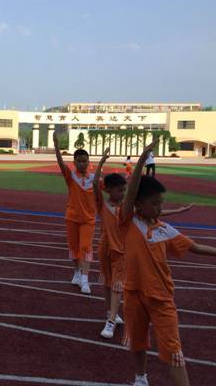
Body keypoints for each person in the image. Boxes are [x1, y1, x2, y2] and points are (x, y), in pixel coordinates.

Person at [121, 140, 215, 386]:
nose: (160, 208)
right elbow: (130, 192)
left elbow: (195, 247)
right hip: (133, 293)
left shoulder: (165, 229)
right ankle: (140, 378)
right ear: (138, 205)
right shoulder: (128, 221)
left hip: (161, 297)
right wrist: (142, 159)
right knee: (137, 341)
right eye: (155, 203)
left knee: (173, 351)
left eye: (161, 203)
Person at [94, 148, 193, 340]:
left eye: (124, 190)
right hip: (105, 247)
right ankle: (110, 313)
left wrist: (178, 211)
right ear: (108, 190)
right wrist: (101, 162)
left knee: (117, 285)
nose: (123, 193)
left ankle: (111, 321)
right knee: (107, 283)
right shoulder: (102, 204)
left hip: (121, 250)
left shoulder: (127, 209)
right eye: (119, 190)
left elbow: (153, 212)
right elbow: (95, 183)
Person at [53, 132, 96, 294]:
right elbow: (60, 162)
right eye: (79, 161)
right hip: (72, 217)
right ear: (74, 162)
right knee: (74, 247)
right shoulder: (70, 176)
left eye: (84, 161)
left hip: (88, 219)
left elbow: (111, 189)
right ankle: (77, 272)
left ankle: (85, 279)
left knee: (86, 247)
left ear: (88, 162)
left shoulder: (94, 178)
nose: (82, 164)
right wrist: (56, 145)